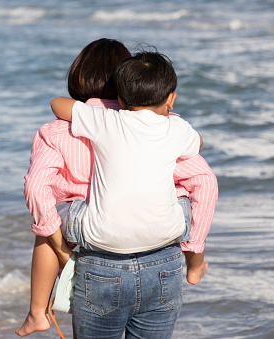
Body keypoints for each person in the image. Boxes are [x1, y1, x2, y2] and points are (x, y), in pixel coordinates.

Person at [17, 40, 217, 337]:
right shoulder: (165, 129)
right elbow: (204, 180)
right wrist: (194, 249)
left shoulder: (61, 130)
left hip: (97, 259)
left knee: (45, 225)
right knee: (180, 197)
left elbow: (35, 187)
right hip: (163, 258)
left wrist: (58, 244)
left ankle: (37, 311)